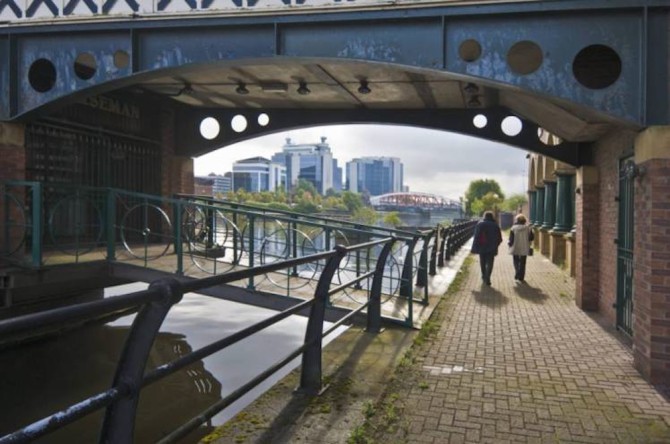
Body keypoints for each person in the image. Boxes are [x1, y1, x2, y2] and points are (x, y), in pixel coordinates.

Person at [471, 211, 503, 286]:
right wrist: (496, 245)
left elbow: (476, 236)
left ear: (484, 216)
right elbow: (499, 238)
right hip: (492, 247)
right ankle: (488, 277)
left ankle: (483, 275)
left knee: (482, 262)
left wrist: (474, 248)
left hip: (482, 246)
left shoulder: (480, 224)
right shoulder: (495, 225)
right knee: (490, 263)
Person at [508, 213, 534, 282]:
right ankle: (521, 277)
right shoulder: (528, 228)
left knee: (516, 261)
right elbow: (531, 238)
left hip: (515, 246)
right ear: (524, 220)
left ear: (517, 220)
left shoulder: (513, 228)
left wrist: (509, 245)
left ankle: (517, 272)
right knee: (523, 262)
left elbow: (511, 239)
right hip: (525, 246)